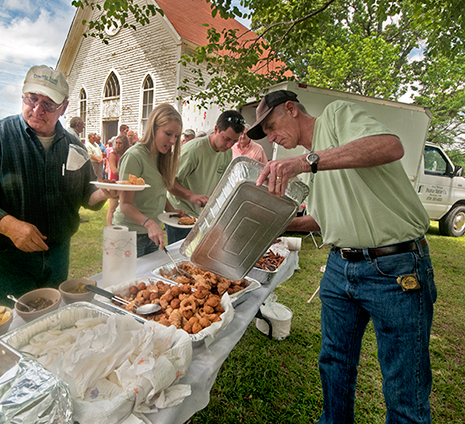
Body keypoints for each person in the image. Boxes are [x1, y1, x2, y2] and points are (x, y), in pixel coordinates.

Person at [248, 90, 436, 424]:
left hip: (395, 267)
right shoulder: (310, 163)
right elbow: (322, 221)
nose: (272, 137)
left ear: (291, 109)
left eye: (272, 126)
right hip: (340, 268)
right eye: (265, 135)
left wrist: (305, 162)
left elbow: (390, 145)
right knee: (334, 362)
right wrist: (272, 221)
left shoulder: (335, 117)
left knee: (404, 382)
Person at [0, 65, 118, 307]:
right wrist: (10, 226)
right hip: (6, 258)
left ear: (64, 108)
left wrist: (103, 192)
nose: (37, 109)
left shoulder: (75, 146)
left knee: (52, 322)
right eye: (32, 99)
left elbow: (85, 196)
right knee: (10, 325)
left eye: (49, 104)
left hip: (58, 253)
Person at [112, 103, 185, 257]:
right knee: (130, 280)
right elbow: (125, 204)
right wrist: (149, 223)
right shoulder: (134, 156)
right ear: (153, 129)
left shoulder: (163, 156)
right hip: (129, 234)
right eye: (168, 133)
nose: (173, 140)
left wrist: (172, 212)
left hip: (152, 233)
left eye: (176, 136)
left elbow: (157, 192)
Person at [166, 110, 246, 244]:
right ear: (216, 129)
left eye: (234, 141)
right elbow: (169, 182)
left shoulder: (226, 153)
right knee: (180, 258)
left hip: (200, 216)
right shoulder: (193, 150)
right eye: (226, 138)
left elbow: (220, 184)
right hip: (179, 213)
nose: (229, 145)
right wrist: (190, 195)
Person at [106, 134, 130, 225]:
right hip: (115, 183)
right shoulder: (113, 155)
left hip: (124, 183)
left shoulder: (127, 154)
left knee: (124, 207)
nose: (118, 145)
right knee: (112, 207)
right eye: (117, 143)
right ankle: (109, 226)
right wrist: (128, 172)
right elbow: (114, 170)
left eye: (120, 143)